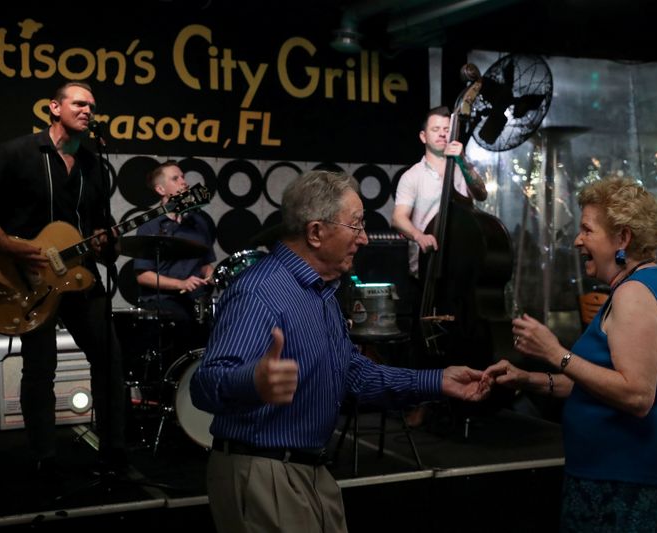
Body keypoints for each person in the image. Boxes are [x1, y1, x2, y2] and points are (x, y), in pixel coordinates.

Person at [189, 170, 491, 533]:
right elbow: (203, 385)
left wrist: (438, 381)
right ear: (316, 232)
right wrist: (252, 381)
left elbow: (355, 375)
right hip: (264, 473)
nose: (364, 239)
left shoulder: (321, 291)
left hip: (309, 472)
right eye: (356, 225)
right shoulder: (260, 292)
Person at [484, 177, 657, 532]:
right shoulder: (640, 285)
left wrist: (556, 353)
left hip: (628, 485)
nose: (577, 240)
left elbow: (636, 395)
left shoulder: (635, 296)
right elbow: (598, 383)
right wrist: (529, 379)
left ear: (622, 238)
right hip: (620, 477)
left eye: (587, 229)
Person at [0, 81, 127, 477]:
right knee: (40, 369)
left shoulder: (93, 165)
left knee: (110, 363)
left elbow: (100, 232)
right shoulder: (16, 152)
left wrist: (108, 243)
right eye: (79, 103)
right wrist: (9, 245)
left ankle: (114, 452)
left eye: (92, 106)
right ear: (54, 107)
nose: (87, 110)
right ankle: (44, 456)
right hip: (28, 279)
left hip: (80, 279)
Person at [391, 105, 490, 425]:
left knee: (466, 335)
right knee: (423, 341)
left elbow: (481, 192)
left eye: (446, 129)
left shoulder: (460, 169)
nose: (442, 133)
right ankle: (422, 401)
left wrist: (462, 159)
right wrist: (419, 235)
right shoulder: (412, 176)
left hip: (461, 269)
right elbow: (398, 219)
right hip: (428, 267)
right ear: (423, 136)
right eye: (435, 129)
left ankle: (469, 401)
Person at [134, 160, 216, 354]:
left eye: (183, 177)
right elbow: (143, 276)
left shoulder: (199, 221)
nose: (184, 182)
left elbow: (205, 264)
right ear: (161, 189)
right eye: (176, 178)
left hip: (196, 302)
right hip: (164, 304)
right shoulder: (150, 226)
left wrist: (210, 274)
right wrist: (181, 284)